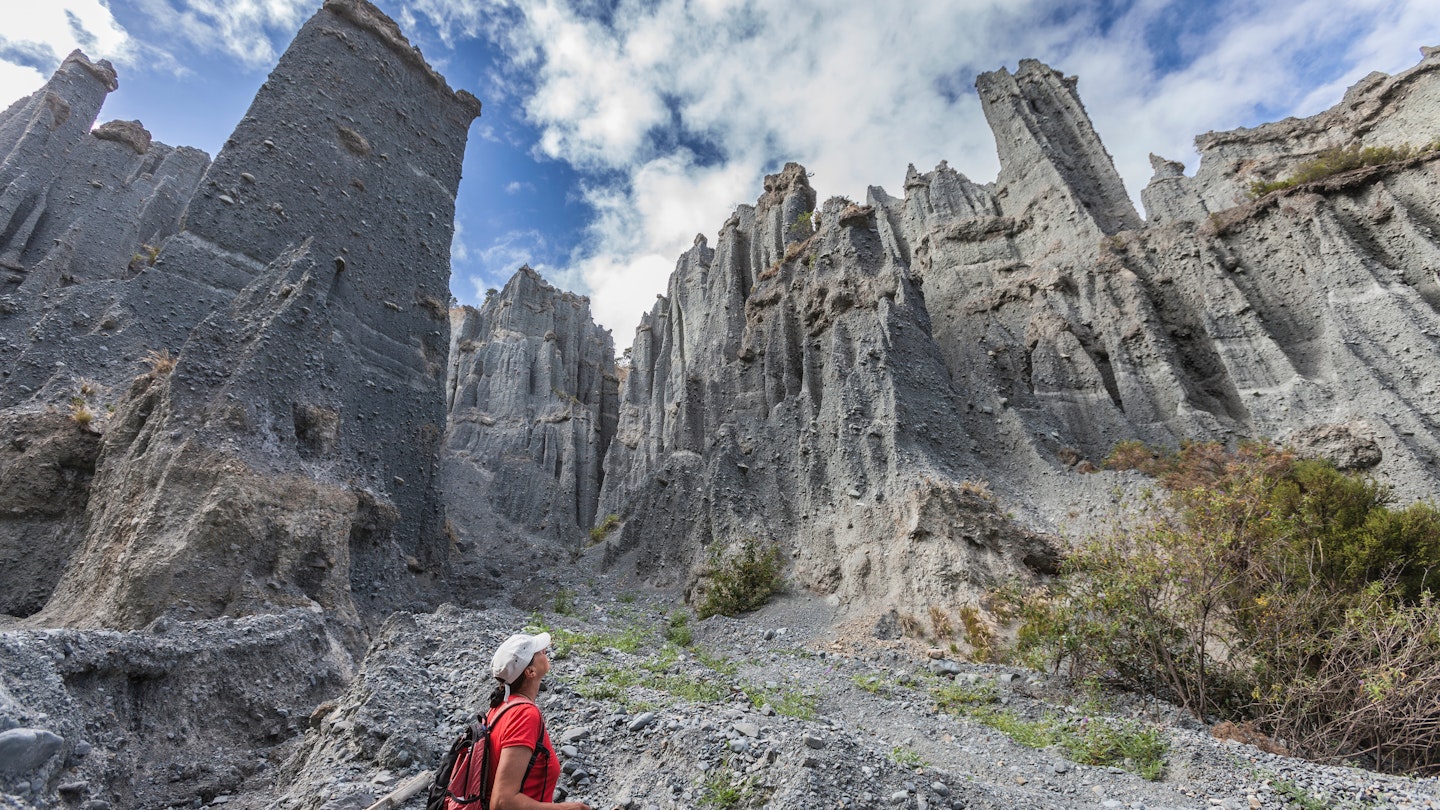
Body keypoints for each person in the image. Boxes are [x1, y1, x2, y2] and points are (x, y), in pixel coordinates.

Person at [486, 631, 591, 810]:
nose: (545, 649)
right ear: (530, 672)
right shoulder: (524, 715)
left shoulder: (499, 708)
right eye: (539, 652)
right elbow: (503, 802)